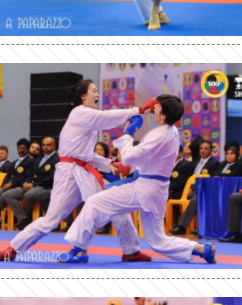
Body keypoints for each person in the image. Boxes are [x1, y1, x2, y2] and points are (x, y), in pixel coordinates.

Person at [0, 80, 150, 263]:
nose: (98, 94)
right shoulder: (80, 113)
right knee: (52, 219)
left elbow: (86, 155)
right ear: (83, 96)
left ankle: (131, 251)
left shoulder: (87, 121)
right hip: (69, 173)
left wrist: (109, 164)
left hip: (84, 171)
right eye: (94, 91)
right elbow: (106, 117)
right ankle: (13, 248)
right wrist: (138, 110)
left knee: (115, 204)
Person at [63, 95, 217, 264]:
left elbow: (129, 155)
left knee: (94, 202)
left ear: (163, 114)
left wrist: (128, 134)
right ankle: (201, 249)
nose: (154, 108)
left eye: (157, 106)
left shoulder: (160, 135)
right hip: (156, 189)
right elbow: (149, 159)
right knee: (158, 240)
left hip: (144, 188)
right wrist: (129, 167)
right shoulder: (171, 131)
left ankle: (79, 251)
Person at [171, 142, 242, 235]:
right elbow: (214, 175)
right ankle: (182, 227)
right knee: (196, 200)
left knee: (205, 200)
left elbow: (231, 176)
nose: (229, 156)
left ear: (237, 154)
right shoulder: (222, 164)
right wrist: (220, 175)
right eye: (227, 153)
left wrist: (220, 175)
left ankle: (203, 228)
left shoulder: (239, 165)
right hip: (215, 191)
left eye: (232, 153)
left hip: (228, 193)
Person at [5, 137, 57, 230]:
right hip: (35, 184)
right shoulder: (40, 159)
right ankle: (25, 219)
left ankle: (28, 219)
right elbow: (32, 174)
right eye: (44, 145)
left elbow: (51, 178)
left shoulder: (56, 159)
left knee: (29, 195)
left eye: (48, 145)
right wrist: (27, 183)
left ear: (54, 146)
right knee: (18, 193)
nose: (45, 147)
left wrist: (33, 184)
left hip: (47, 186)